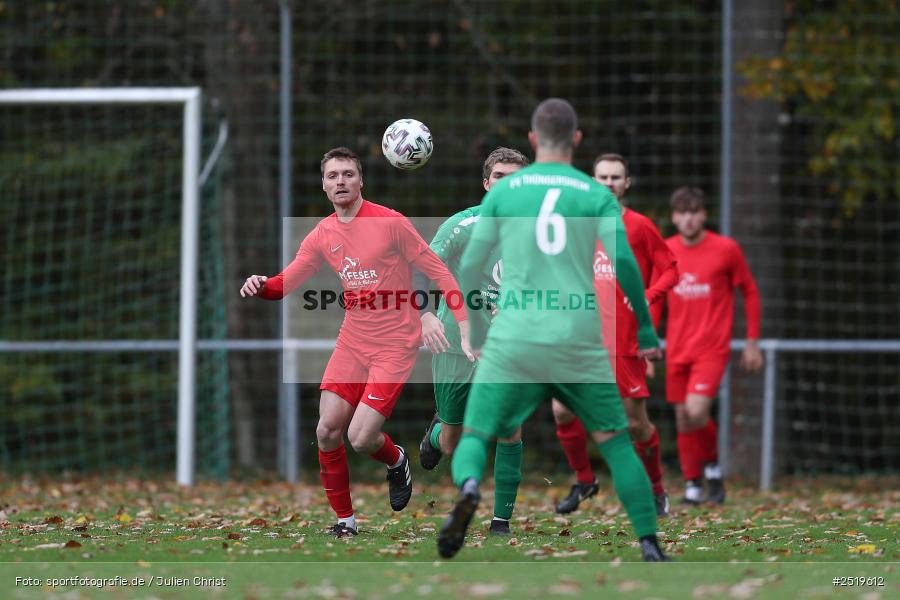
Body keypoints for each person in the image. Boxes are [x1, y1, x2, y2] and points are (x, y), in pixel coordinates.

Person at [437, 98, 669, 562]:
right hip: (576, 336)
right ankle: (648, 542)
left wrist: (474, 329)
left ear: (532, 140)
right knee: (616, 441)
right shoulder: (593, 193)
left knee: (477, 434)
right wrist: (644, 330)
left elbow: (472, 268)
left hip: (515, 335)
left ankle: (467, 489)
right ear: (577, 139)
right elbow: (623, 262)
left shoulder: (504, 194)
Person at [240, 147, 471, 537]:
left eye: (348, 174)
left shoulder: (391, 223)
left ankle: (396, 459)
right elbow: (284, 284)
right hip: (352, 341)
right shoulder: (322, 234)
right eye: (333, 176)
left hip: (395, 344)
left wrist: (456, 321)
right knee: (327, 431)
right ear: (324, 185)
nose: (341, 181)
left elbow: (437, 270)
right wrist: (261, 286)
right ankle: (345, 522)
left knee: (361, 438)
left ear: (361, 180)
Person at [551, 153, 678, 517]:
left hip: (624, 342)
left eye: (615, 177)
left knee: (635, 423)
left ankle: (656, 488)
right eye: (602, 177)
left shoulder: (639, 226)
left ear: (627, 184)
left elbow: (670, 270)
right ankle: (584, 479)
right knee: (561, 409)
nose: (608, 183)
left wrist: (647, 297)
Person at [416, 147, 530, 537]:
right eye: (500, 176)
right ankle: (435, 432)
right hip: (455, 343)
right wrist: (425, 313)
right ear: (486, 183)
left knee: (509, 429)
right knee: (452, 441)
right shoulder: (461, 226)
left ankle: (501, 522)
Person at [662, 186, 763, 505]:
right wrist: (646, 340)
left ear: (704, 215)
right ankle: (694, 484)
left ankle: (714, 467)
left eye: (694, 212)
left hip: (711, 348)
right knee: (682, 418)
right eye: (682, 212)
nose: (688, 218)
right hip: (677, 348)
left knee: (696, 410)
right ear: (674, 217)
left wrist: (752, 342)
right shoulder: (665, 250)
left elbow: (750, 292)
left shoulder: (726, 249)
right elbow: (654, 297)